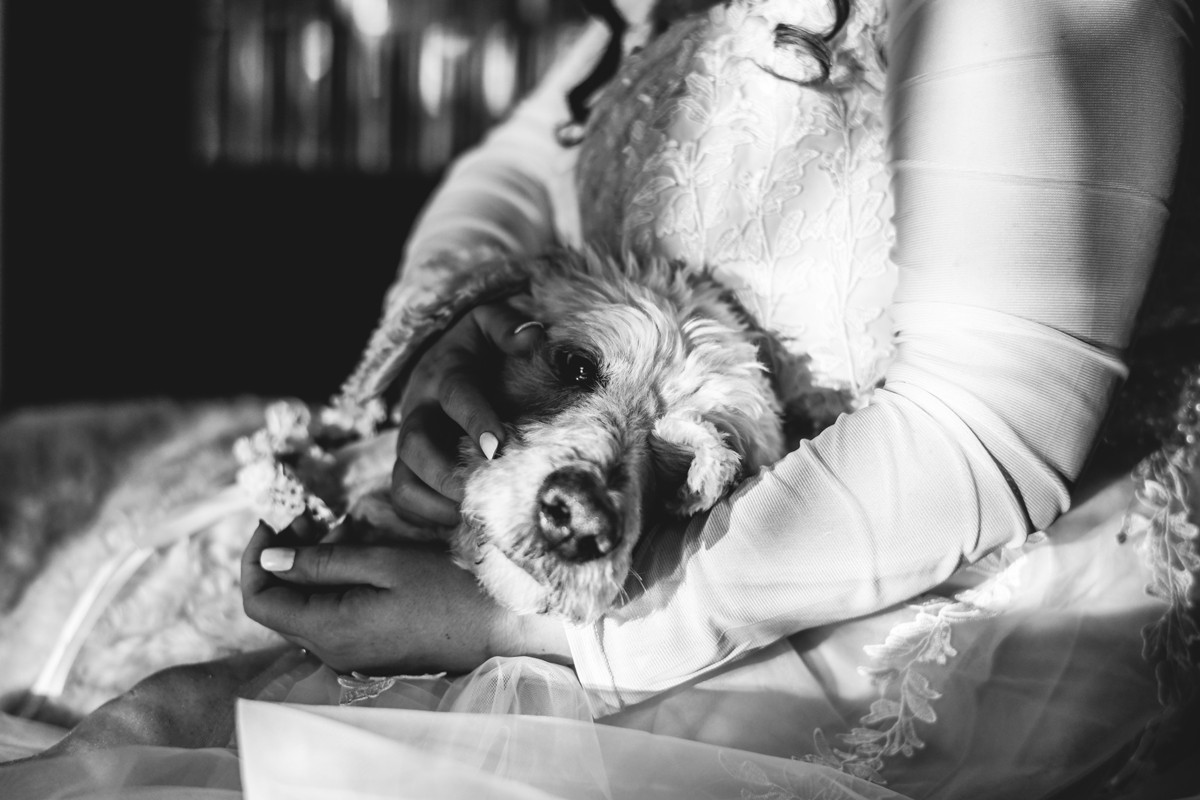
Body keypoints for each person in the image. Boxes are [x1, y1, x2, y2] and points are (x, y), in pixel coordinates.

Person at [3, 0, 1198, 797]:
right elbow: (533, 155)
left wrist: (536, 627)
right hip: (593, 440)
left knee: (202, 747)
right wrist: (447, 357)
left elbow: (978, 437)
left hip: (872, 560)